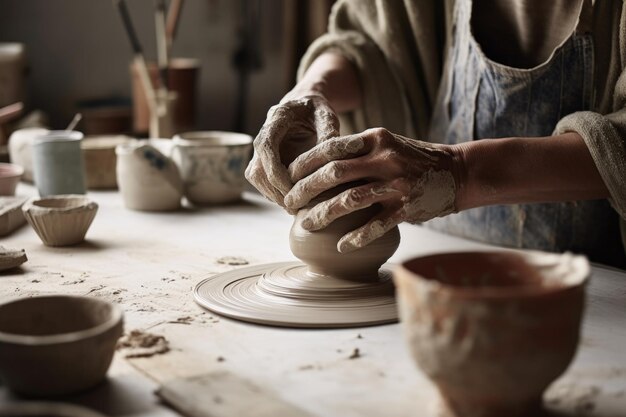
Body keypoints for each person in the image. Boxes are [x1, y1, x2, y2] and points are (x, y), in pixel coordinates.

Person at [246, 0, 626, 267]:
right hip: (438, 259)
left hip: (601, 286)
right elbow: (369, 44)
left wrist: (460, 172)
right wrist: (311, 91)